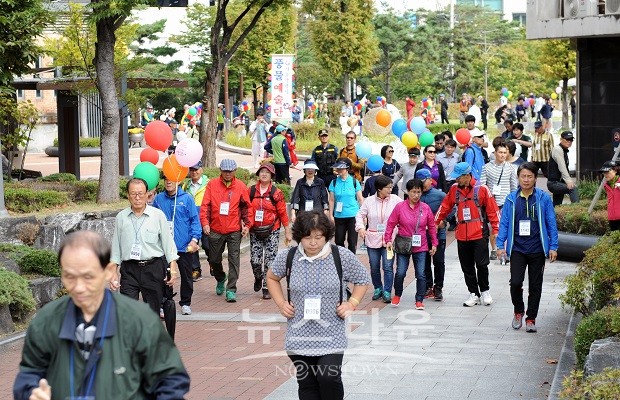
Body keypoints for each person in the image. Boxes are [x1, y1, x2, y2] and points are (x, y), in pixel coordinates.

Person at [13, 231, 190, 400]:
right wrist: (31, 392)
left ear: (108, 271)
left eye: (88, 276)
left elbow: (170, 380)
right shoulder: (46, 321)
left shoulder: (140, 321)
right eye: (69, 276)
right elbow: (29, 374)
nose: (79, 286)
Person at [266, 211, 370, 400]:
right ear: (299, 237)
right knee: (307, 382)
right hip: (299, 333)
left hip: (332, 333)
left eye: (318, 237)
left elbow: (362, 279)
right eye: (307, 237)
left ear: (326, 236)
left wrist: (352, 303)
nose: (313, 242)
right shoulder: (288, 257)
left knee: (328, 378)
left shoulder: (341, 255)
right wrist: (281, 303)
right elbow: (272, 277)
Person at [496, 162, 559, 333]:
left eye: (529, 176)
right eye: (523, 176)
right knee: (515, 282)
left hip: (537, 248)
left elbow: (551, 223)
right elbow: (505, 223)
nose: (526, 179)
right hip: (517, 248)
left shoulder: (543, 198)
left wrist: (553, 245)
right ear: (518, 177)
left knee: (535, 285)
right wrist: (499, 245)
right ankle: (518, 311)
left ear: (535, 178)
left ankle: (531, 318)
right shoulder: (511, 198)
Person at [109, 178, 179, 315]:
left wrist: (173, 271)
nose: (137, 197)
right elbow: (116, 250)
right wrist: (113, 274)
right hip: (129, 270)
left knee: (152, 312)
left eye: (140, 193)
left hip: (153, 269)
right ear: (128, 195)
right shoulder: (121, 217)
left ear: (147, 194)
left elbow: (168, 245)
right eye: (133, 194)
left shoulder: (158, 216)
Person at [435, 162, 500, 307]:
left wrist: (497, 231)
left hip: (478, 233)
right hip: (462, 234)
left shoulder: (482, 189)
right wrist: (435, 222)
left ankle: (485, 291)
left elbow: (493, 212)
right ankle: (473, 293)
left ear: (467, 175)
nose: (456, 180)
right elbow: (445, 206)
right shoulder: (454, 189)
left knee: (482, 265)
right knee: (467, 266)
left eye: (458, 177)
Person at [200, 159, 254, 303]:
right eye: (225, 171)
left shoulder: (241, 187)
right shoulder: (212, 184)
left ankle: (231, 289)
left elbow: (247, 207)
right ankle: (220, 277)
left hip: (234, 229)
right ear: (221, 171)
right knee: (214, 259)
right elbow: (205, 206)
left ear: (235, 171)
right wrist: (205, 223)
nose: (228, 174)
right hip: (216, 228)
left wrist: (247, 225)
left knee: (234, 260)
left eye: (230, 171)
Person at [384, 179, 438, 309]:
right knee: (401, 272)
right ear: (408, 192)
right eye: (413, 192)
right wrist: (388, 240)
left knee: (420, 273)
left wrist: (434, 243)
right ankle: (397, 295)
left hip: (421, 245)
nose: (416, 195)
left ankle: (419, 299)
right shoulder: (400, 207)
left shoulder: (425, 208)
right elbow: (390, 224)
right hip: (403, 243)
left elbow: (431, 226)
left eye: (418, 192)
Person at [152, 178, 202, 315]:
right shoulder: (158, 199)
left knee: (186, 276)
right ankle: (164, 302)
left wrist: (195, 239)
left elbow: (195, 221)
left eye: (172, 180)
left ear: (178, 181)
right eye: (166, 180)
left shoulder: (187, 199)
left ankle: (186, 303)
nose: (168, 182)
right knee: (165, 276)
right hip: (164, 247)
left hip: (184, 246)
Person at [355, 175, 402, 304]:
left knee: (387, 266)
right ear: (380, 189)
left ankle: (387, 291)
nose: (390, 189)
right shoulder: (369, 201)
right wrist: (360, 228)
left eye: (391, 187)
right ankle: (378, 288)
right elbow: (359, 215)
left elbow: (404, 211)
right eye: (388, 187)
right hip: (372, 239)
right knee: (374, 266)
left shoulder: (396, 200)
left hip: (389, 240)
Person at [249, 163, 293, 299]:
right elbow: (246, 210)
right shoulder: (250, 191)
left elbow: (282, 213)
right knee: (255, 260)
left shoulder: (276, 193)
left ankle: (266, 286)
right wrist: (245, 225)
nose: (264, 174)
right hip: (255, 230)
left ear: (271, 176)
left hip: (272, 230)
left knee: (270, 260)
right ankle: (258, 277)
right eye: (262, 172)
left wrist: (287, 230)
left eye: (267, 172)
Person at [480, 141, 518, 260]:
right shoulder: (486, 167)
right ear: (495, 153)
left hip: (505, 202)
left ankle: (505, 249)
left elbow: (514, 186)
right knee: (492, 227)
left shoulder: (511, 168)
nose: (502, 155)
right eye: (500, 152)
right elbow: (482, 186)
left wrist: (514, 201)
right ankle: (494, 249)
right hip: (491, 203)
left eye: (505, 153)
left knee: (505, 226)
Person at [417, 169, 450, 301]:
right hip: (421, 234)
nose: (423, 185)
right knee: (424, 262)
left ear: (430, 180)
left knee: (438, 261)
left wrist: (444, 221)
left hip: (438, 234)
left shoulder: (440, 195)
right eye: (420, 182)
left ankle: (438, 287)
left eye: (424, 181)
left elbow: (451, 207)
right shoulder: (415, 195)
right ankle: (428, 286)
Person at [181, 161, 209, 282]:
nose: (194, 172)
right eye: (191, 169)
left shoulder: (209, 184)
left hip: (205, 219)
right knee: (192, 245)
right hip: (191, 221)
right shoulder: (185, 186)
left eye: (196, 169)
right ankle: (195, 270)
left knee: (208, 245)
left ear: (201, 169)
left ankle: (213, 262)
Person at [328, 157, 363, 254]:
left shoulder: (354, 182)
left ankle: (352, 261)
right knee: (338, 241)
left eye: (341, 168)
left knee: (352, 242)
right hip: (339, 216)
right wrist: (331, 214)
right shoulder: (334, 182)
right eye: (337, 168)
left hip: (353, 215)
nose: (338, 170)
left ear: (347, 169)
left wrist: (363, 215)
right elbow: (331, 200)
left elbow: (360, 199)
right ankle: (341, 260)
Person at [547, 131, 579, 206]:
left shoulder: (563, 150)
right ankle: (578, 211)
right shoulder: (558, 149)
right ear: (561, 139)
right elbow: (562, 167)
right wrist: (568, 181)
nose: (569, 141)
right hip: (554, 183)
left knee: (557, 205)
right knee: (572, 188)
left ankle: (554, 216)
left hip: (558, 182)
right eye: (567, 139)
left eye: (571, 140)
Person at [600, 160, 620, 231]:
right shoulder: (606, 185)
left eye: (607, 172)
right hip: (612, 218)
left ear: (615, 171)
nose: (605, 174)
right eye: (604, 172)